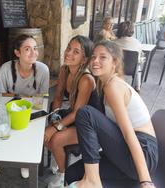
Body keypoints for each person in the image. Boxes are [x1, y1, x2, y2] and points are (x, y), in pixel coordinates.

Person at [66, 40, 158, 188]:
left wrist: (145, 180)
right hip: (126, 153)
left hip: (143, 153)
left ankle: (92, 180)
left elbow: (129, 134)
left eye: (103, 57)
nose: (95, 61)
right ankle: (92, 179)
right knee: (72, 173)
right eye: (94, 56)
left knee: (86, 113)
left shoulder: (113, 86)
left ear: (114, 62)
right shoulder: (104, 84)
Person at [44, 35, 102, 188]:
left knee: (55, 139)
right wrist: (54, 118)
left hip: (89, 125)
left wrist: (57, 127)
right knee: (45, 134)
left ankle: (63, 177)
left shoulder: (86, 79)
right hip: (75, 117)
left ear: (84, 59)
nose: (69, 53)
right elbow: (57, 97)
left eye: (76, 52)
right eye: (69, 48)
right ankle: (59, 160)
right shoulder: (65, 70)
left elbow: (77, 112)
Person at [0, 34, 50, 178]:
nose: (33, 52)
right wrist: (24, 98)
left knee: (28, 130)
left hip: (32, 110)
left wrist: (14, 95)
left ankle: (25, 160)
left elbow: (43, 98)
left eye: (35, 48)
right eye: (27, 49)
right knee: (0, 126)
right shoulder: (6, 68)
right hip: (8, 108)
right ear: (17, 53)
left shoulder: (43, 70)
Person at [114, 21, 144, 92]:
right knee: (138, 64)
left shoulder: (114, 43)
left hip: (116, 68)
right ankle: (137, 86)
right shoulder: (137, 43)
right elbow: (139, 58)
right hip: (131, 69)